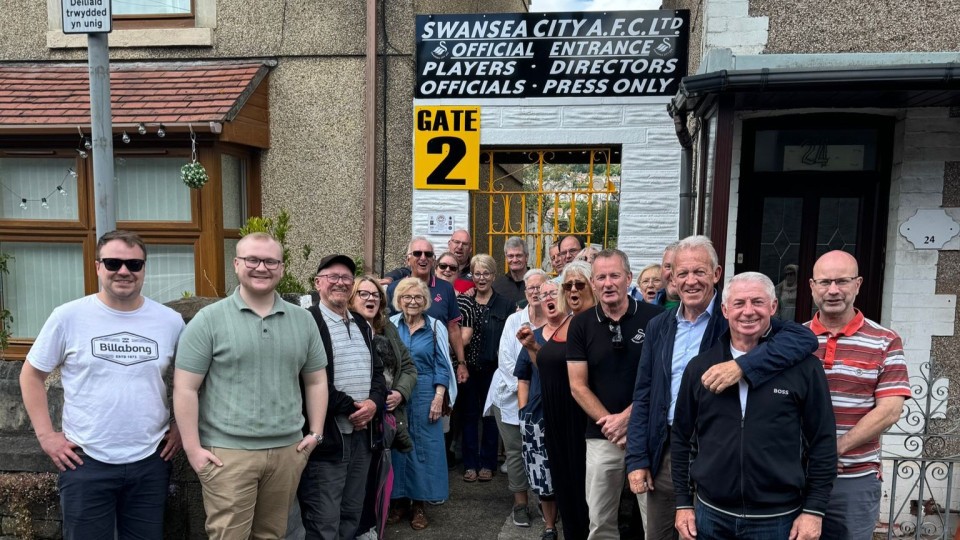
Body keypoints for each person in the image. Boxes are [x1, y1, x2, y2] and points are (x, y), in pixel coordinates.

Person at [626, 235, 820, 540]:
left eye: (699, 272)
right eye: (683, 273)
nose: (691, 281)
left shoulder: (736, 313)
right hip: (668, 447)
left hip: (720, 449)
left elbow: (804, 338)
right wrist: (637, 457)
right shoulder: (659, 326)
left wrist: (742, 366)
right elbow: (644, 392)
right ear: (672, 278)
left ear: (716, 274)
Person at [19, 230, 185, 540]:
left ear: (144, 269)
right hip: (85, 460)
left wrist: (181, 426)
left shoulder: (170, 321)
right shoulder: (68, 317)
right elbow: (31, 375)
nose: (124, 271)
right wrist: (46, 436)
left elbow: (190, 379)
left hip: (150, 461)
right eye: (113, 263)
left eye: (134, 264)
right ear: (98, 266)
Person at [174, 232, 328, 538]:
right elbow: (185, 388)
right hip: (228, 455)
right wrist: (192, 449)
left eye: (271, 261)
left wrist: (315, 433)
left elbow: (316, 380)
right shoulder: (208, 320)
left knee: (272, 535)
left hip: (288, 452)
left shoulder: (303, 320)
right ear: (236, 264)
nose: (261, 267)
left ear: (281, 268)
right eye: (252, 259)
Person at [671, 272, 838, 540]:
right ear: (725, 310)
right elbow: (681, 437)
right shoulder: (700, 368)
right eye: (739, 303)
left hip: (778, 519)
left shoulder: (805, 368)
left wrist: (814, 510)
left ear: (773, 307)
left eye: (757, 302)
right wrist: (682, 503)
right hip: (711, 515)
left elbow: (823, 440)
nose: (748, 311)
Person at [806, 250, 911, 539]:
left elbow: (889, 410)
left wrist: (833, 450)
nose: (833, 290)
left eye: (842, 281)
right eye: (825, 282)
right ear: (812, 286)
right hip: (798, 475)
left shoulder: (885, 341)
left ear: (858, 284)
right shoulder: (794, 340)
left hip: (853, 479)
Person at [567, 249, 663, 540]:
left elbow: (663, 379)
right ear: (593, 283)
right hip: (602, 434)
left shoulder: (656, 318)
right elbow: (577, 385)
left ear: (629, 278)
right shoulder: (581, 324)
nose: (608, 283)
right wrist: (613, 425)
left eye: (614, 276)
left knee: (655, 520)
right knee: (600, 520)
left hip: (648, 433)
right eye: (601, 277)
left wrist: (628, 420)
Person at [296, 254, 386, 540]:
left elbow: (378, 374)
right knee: (324, 518)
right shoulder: (308, 322)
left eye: (346, 277)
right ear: (317, 283)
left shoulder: (362, 323)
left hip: (362, 436)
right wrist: (352, 408)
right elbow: (308, 379)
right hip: (329, 438)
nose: (340, 283)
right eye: (332, 276)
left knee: (352, 513)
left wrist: (373, 404)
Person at [351, 276, 418, 540]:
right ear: (352, 298)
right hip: (356, 416)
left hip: (385, 419)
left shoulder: (387, 327)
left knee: (377, 478)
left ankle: (371, 529)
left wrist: (400, 392)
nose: (371, 299)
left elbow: (409, 367)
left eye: (376, 295)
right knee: (354, 481)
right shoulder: (344, 327)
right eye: (364, 294)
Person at [388, 278, 457, 530]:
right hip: (397, 394)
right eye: (407, 297)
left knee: (425, 449)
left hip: (426, 392)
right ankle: (398, 502)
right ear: (399, 300)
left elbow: (442, 365)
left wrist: (439, 397)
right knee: (397, 446)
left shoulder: (435, 326)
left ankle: (419, 504)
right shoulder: (390, 325)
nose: (413, 301)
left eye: (418, 297)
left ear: (425, 300)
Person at [535, 260, 597, 540]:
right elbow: (551, 365)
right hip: (555, 419)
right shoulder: (567, 320)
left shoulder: (597, 323)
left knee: (584, 491)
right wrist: (533, 347)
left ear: (592, 286)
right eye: (567, 285)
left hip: (579, 420)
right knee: (564, 488)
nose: (573, 290)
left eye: (579, 284)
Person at [486, 268, 548, 529]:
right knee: (515, 452)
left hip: (545, 399)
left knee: (544, 452)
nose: (535, 292)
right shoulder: (514, 320)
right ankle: (520, 504)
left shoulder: (557, 320)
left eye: (540, 288)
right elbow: (505, 359)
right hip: (510, 397)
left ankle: (547, 503)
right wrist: (528, 387)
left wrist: (540, 390)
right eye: (530, 288)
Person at [514, 279, 564, 540]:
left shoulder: (576, 332)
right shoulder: (533, 335)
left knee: (568, 470)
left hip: (567, 413)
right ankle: (549, 525)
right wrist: (524, 413)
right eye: (544, 295)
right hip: (537, 415)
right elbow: (523, 378)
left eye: (553, 293)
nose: (548, 298)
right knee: (543, 475)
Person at [459, 254, 514, 483]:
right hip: (469, 368)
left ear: (493, 275)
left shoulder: (505, 304)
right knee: (469, 416)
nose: (481, 278)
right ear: (472, 275)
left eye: (486, 273)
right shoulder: (464, 302)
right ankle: (470, 464)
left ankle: (488, 464)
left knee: (491, 417)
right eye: (477, 274)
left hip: (493, 369)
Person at [386, 237, 468, 387]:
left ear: (433, 260)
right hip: (400, 368)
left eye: (428, 254)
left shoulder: (446, 288)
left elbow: (453, 328)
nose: (423, 258)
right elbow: (387, 327)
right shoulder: (394, 289)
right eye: (417, 253)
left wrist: (461, 363)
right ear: (408, 259)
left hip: (435, 369)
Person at [492, 236, 530, 307]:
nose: (514, 260)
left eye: (518, 255)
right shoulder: (497, 286)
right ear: (506, 258)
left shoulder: (537, 283)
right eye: (511, 256)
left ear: (526, 257)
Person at [652, 243, 680, 309]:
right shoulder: (648, 308)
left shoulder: (700, 310)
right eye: (668, 267)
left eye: (680, 267)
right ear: (661, 270)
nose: (673, 273)